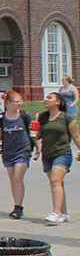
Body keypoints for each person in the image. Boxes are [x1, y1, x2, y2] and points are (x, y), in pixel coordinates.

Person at [0, 90, 38, 219]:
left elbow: (32, 134)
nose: (19, 104)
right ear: (8, 103)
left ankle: (19, 208)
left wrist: (38, 148)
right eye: (16, 102)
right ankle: (16, 205)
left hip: (23, 151)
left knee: (17, 178)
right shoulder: (1, 118)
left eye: (20, 101)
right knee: (13, 180)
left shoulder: (25, 116)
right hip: (8, 153)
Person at [36, 91, 80, 224]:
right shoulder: (42, 117)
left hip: (62, 153)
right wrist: (35, 141)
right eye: (46, 98)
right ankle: (64, 213)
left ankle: (55, 213)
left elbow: (76, 137)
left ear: (57, 102)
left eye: (50, 98)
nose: (46, 100)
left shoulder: (66, 118)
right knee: (57, 184)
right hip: (47, 154)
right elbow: (38, 136)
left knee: (55, 181)